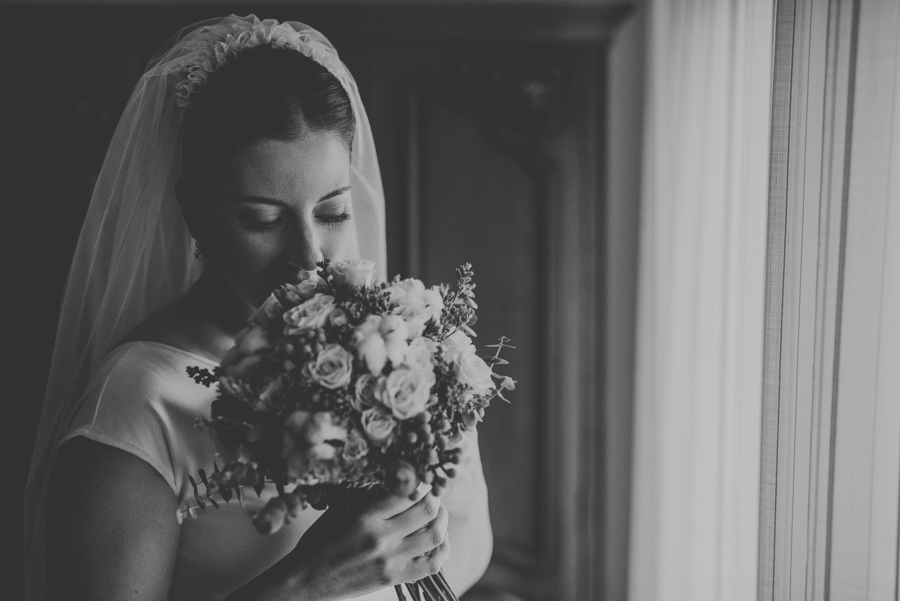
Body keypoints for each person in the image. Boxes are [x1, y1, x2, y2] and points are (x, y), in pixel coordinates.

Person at [24, 15, 492, 601]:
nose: (310, 255)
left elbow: (465, 554)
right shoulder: (138, 406)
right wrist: (311, 579)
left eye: (332, 211)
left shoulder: (396, 356)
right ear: (193, 212)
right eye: (263, 219)